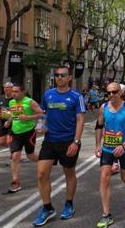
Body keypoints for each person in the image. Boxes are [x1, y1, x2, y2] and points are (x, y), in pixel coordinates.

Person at [33, 66, 86, 227]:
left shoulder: (76, 96)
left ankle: (69, 203)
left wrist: (76, 142)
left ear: (69, 77)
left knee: (69, 173)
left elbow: (80, 120)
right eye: (56, 75)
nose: (59, 78)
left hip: (68, 141)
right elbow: (44, 113)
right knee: (42, 174)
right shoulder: (48, 94)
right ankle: (47, 207)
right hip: (50, 140)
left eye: (62, 75)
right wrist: (41, 125)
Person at [95, 82, 125, 228]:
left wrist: (123, 145)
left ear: (120, 92)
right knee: (104, 177)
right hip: (107, 148)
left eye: (114, 92)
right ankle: (106, 215)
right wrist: (97, 145)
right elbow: (99, 126)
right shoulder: (104, 107)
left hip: (124, 148)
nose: (111, 95)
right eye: (108, 92)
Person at [6, 83, 43, 193]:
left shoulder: (30, 102)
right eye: (12, 92)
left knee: (30, 155)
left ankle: (43, 163)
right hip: (15, 132)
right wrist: (8, 121)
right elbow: (13, 115)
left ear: (23, 92)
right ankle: (15, 181)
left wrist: (28, 117)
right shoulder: (11, 102)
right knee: (15, 156)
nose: (14, 94)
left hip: (28, 132)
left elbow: (41, 113)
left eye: (16, 91)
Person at [0, 82, 14, 147]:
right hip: (3, 122)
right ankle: (14, 147)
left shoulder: (15, 99)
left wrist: (9, 121)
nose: (6, 89)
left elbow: (18, 112)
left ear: (12, 88)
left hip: (13, 122)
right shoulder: (0, 98)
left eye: (8, 87)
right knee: (1, 142)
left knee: (9, 141)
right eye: (5, 87)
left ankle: (14, 150)